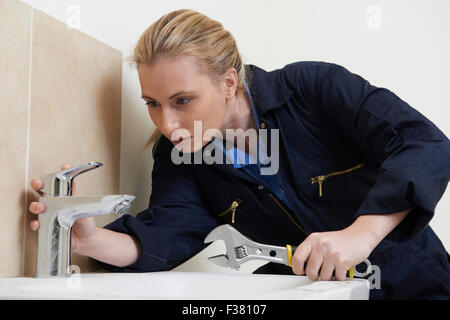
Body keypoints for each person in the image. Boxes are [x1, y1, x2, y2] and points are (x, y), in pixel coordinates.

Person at [29, 9, 450, 300]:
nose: (167, 123)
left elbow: (422, 142)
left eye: (182, 100)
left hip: (419, 283)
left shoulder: (313, 88)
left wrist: (361, 234)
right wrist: (90, 238)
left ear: (228, 82)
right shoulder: (178, 155)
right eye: (153, 103)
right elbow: (169, 234)